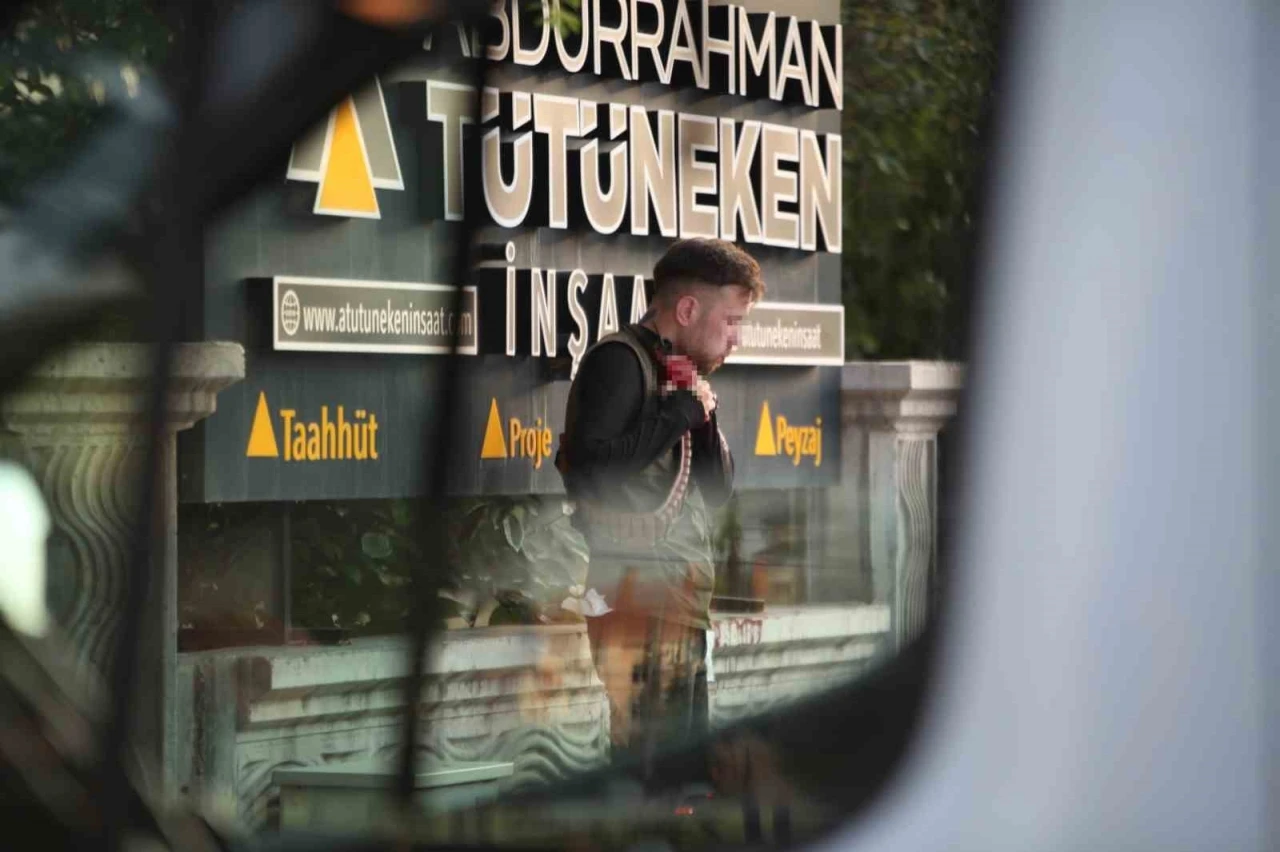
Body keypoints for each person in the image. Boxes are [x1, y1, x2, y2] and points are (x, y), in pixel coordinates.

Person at [554, 237, 763, 774]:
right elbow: (595, 469)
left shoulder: (682, 372)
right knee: (650, 771)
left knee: (687, 773)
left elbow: (716, 492)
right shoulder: (619, 362)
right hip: (635, 597)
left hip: (680, 598)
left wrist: (701, 414)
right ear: (687, 309)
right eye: (731, 321)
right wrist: (681, 413)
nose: (736, 338)